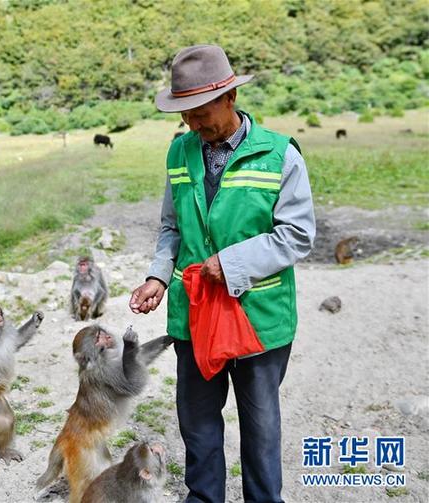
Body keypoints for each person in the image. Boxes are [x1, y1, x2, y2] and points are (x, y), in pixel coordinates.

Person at [129, 45, 315, 503]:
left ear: (229, 97)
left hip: (258, 319)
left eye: (200, 111)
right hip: (195, 314)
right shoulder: (180, 153)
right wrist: (157, 276)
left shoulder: (279, 155)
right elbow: (172, 227)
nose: (193, 123)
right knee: (197, 419)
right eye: (184, 114)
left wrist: (230, 263)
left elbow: (297, 234)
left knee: (261, 426)